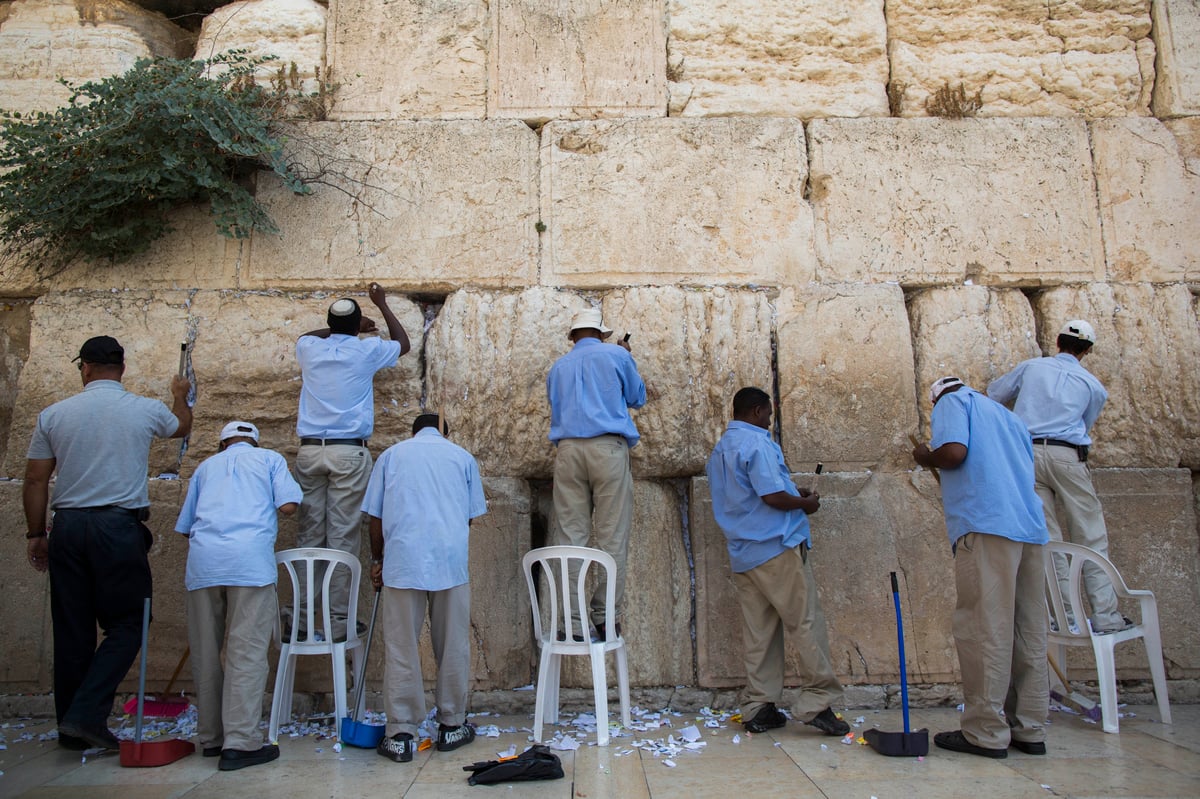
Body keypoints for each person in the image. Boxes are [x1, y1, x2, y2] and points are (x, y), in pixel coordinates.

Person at [24, 335, 192, 751]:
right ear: (122, 368)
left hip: (68, 526)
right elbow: (181, 427)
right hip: (117, 527)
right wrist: (180, 394)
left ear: (84, 367)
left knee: (72, 629)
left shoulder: (54, 415)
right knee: (130, 623)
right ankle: (85, 715)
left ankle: (72, 727)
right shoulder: (144, 409)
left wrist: (35, 533)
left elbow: (35, 480)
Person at [912, 377, 1049, 758]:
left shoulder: (953, 403)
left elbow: (954, 453)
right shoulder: (1008, 417)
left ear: (937, 396)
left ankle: (986, 732)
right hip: (1030, 530)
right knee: (1028, 631)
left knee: (985, 628)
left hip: (987, 526)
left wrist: (926, 456)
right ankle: (1030, 728)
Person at [705, 387, 850, 737]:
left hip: (744, 552)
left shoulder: (722, 448)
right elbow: (770, 496)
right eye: (768, 414)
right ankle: (817, 701)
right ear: (756, 412)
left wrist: (792, 491)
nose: (770, 420)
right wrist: (806, 504)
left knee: (760, 632)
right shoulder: (756, 443)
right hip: (776, 548)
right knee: (805, 623)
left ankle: (759, 706)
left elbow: (752, 492)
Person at [987, 320, 1129, 635]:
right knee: (1090, 535)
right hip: (1068, 455)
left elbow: (994, 394)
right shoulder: (1093, 386)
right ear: (1087, 350)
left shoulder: (1031, 367)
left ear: (1057, 341)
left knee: (1049, 539)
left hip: (1028, 455)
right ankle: (1105, 616)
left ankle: (1065, 617)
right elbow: (1085, 425)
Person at [175, 421, 302, 771]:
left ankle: (212, 738)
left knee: (206, 652)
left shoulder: (205, 468)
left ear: (222, 444)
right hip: (250, 564)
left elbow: (186, 527)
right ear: (255, 442)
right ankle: (242, 743)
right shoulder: (270, 460)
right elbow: (290, 504)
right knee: (245, 651)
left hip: (203, 565)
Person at [363, 413, 487, 763]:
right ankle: (451, 724)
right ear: (445, 431)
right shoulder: (462, 457)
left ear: (413, 431)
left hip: (403, 562)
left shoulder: (391, 456)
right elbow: (470, 516)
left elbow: (376, 516)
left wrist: (377, 560)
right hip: (449, 563)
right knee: (452, 645)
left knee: (401, 646)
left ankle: (400, 733)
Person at [294, 283, 410, 641]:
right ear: (359, 325)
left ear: (329, 325)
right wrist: (383, 304)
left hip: (310, 451)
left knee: (310, 536)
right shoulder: (366, 352)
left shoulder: (310, 349)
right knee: (342, 536)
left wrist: (344, 328)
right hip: (347, 451)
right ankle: (337, 619)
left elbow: (305, 335)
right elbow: (403, 344)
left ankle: (300, 617)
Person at [546, 308, 646, 640]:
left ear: (573, 336)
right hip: (608, 449)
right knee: (611, 536)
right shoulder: (617, 354)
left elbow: (556, 406)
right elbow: (637, 398)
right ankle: (605, 617)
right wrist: (625, 356)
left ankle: (573, 623)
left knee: (570, 538)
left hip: (569, 451)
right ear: (601, 333)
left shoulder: (558, 367)